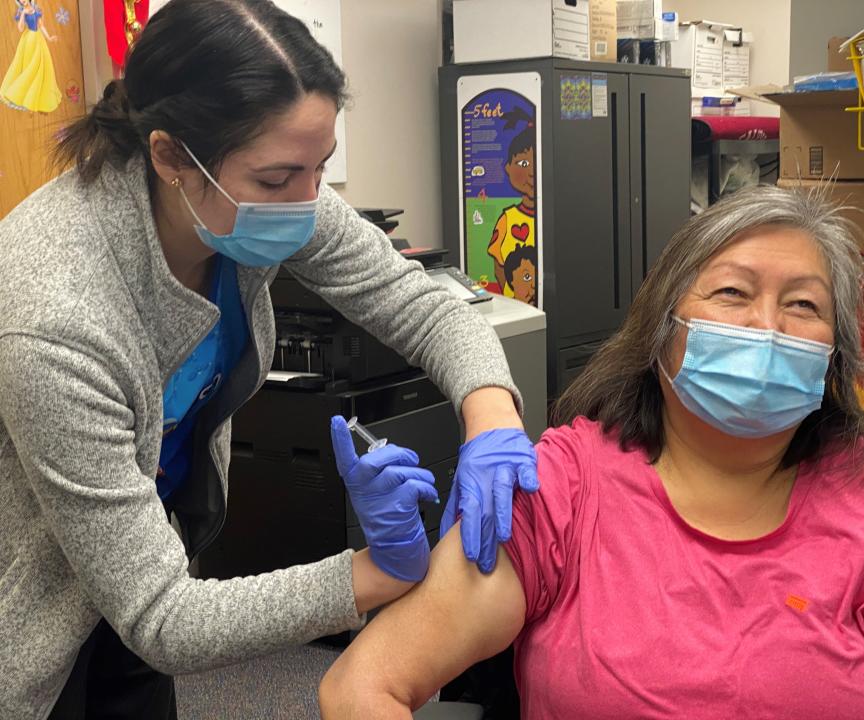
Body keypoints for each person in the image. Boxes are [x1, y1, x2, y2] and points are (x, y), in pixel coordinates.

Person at [0, 0, 538, 717]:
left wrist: (490, 414)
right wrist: (371, 574)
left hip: (145, 554)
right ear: (168, 155)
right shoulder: (57, 317)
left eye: (322, 168)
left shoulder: (259, 193)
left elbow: (422, 303)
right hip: (29, 608)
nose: (308, 202)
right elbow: (165, 618)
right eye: (280, 178)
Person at [318, 186, 864, 719]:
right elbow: (362, 688)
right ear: (662, 331)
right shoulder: (565, 486)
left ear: (833, 357)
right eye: (733, 293)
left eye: (802, 304)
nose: (768, 325)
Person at [486, 109, 535, 300]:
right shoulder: (507, 219)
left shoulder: (550, 218)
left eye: (536, 163)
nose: (531, 173)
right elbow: (498, 265)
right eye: (523, 164)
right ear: (508, 167)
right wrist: (510, 294)